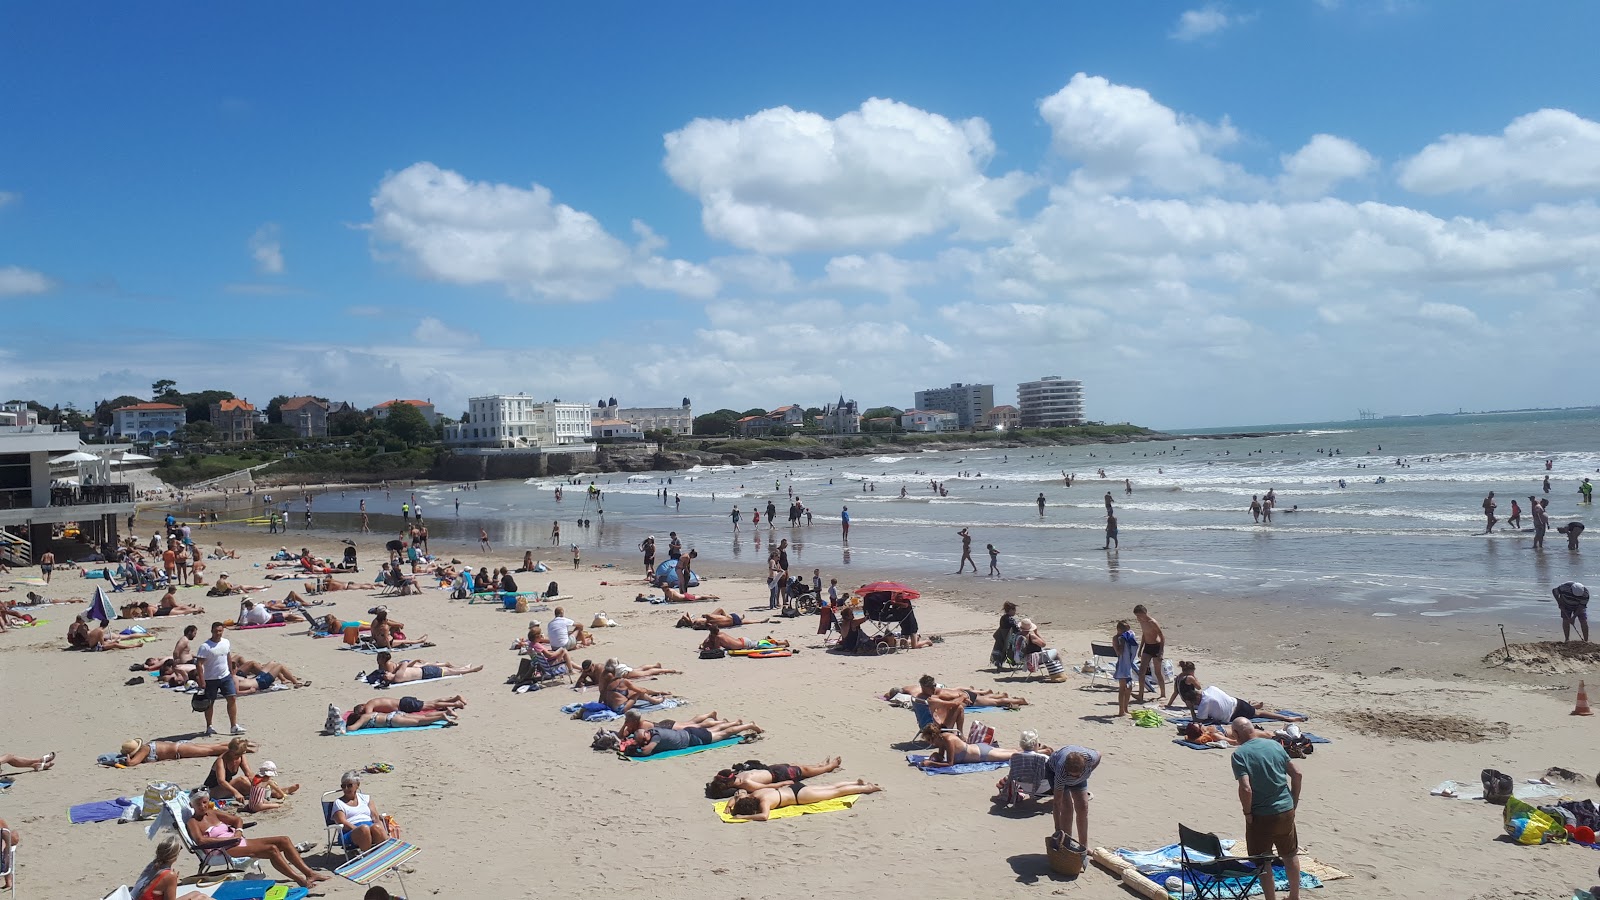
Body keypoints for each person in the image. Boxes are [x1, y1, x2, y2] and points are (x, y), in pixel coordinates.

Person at [184, 791, 329, 887]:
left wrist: (238, 832)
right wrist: (225, 841)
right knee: (271, 849)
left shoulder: (212, 813)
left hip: (236, 840)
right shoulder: (193, 822)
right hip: (224, 849)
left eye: (205, 802)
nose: (203, 806)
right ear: (192, 805)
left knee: (283, 840)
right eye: (199, 803)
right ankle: (300, 880)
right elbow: (201, 841)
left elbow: (237, 820)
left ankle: (310, 874)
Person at [1231, 717, 1304, 900]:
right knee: (1290, 854)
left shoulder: (1240, 754)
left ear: (1238, 734)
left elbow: (1246, 788)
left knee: (1263, 861)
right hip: (1285, 811)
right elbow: (1297, 774)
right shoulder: (1275, 745)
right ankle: (1294, 896)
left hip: (1261, 815)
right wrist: (1293, 801)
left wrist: (1247, 813)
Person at [725, 780, 883, 821]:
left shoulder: (761, 801)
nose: (739, 793)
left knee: (835, 792)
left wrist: (738, 813)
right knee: (831, 788)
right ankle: (857, 784)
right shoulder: (758, 796)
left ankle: (866, 788)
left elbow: (763, 816)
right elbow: (763, 816)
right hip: (796, 790)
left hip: (798, 796)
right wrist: (734, 809)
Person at [705, 757, 843, 798]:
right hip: (779, 775)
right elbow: (767, 786)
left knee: (800, 766)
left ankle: (818, 764)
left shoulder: (737, 776)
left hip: (772, 769)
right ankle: (828, 767)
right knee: (804, 771)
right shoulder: (746, 784)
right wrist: (784, 783)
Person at [195, 621, 243, 736]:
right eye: (216, 631)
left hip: (225, 676)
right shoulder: (205, 647)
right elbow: (199, 664)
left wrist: (231, 673)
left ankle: (234, 726)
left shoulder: (226, 642)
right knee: (209, 703)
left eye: (220, 631)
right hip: (210, 679)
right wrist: (202, 681)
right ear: (212, 631)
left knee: (231, 699)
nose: (218, 633)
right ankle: (209, 726)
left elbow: (228, 656)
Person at [1049, 745, 1100, 850]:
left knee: (1083, 807)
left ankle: (1083, 846)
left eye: (1076, 775)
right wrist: (1058, 829)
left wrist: (1088, 773)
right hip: (1053, 771)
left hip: (1082, 774)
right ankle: (1066, 844)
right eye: (1072, 775)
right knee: (1067, 809)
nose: (1074, 778)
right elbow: (1057, 803)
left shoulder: (1090, 758)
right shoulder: (1061, 771)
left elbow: (1100, 755)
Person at [131, 838, 214, 900]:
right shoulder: (170, 875)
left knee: (196, 893)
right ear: (175, 855)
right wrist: (173, 882)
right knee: (201, 897)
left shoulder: (153, 864)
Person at [630, 719, 763, 757]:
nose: (646, 741)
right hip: (688, 732)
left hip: (693, 738)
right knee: (716, 729)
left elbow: (647, 752)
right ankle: (735, 722)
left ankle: (749, 725)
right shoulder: (652, 730)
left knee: (725, 734)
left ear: (647, 734)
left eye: (644, 739)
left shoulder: (656, 737)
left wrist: (636, 751)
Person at [331, 771, 391, 852]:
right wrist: (361, 830)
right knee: (364, 829)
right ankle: (367, 856)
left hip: (370, 828)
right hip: (349, 832)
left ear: (357, 785)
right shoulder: (338, 803)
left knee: (376, 827)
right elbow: (342, 823)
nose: (346, 789)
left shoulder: (366, 798)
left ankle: (385, 854)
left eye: (349, 785)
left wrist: (382, 830)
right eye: (343, 786)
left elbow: (375, 818)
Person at [917, 723, 1017, 766]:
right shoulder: (942, 738)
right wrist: (934, 757)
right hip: (978, 748)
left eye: (929, 740)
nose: (930, 742)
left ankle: (1032, 750)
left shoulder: (948, 740)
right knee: (1013, 751)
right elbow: (942, 757)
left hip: (982, 754)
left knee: (1015, 755)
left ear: (934, 736)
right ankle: (1031, 748)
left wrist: (931, 763)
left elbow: (949, 763)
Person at [1134, 603, 1166, 703]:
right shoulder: (1142, 622)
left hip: (1156, 647)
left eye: (1139, 615)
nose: (1138, 618)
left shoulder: (1152, 622)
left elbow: (1162, 636)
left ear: (1144, 613)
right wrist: (1140, 649)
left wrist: (1161, 651)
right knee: (1141, 672)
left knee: (1157, 672)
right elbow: (1144, 634)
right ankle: (1140, 695)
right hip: (1147, 647)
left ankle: (1163, 694)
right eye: (1137, 616)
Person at [1113, 619, 1138, 717]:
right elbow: (1118, 652)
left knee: (1129, 688)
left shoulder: (1127, 637)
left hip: (1128, 665)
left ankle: (1126, 708)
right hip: (1122, 665)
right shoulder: (1116, 638)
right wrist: (1122, 644)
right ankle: (1121, 710)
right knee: (1122, 688)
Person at [700, 625, 790, 652]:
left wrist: (707, 647)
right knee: (760, 642)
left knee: (762, 645)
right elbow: (708, 639)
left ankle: (783, 643)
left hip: (743, 644)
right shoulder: (720, 633)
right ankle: (771, 640)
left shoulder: (718, 637)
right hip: (742, 640)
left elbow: (717, 649)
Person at [991, 601, 1020, 670]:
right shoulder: (1010, 620)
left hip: (1002, 638)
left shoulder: (1003, 618)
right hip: (1008, 640)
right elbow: (1016, 629)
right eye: (1014, 610)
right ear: (1010, 610)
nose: (1015, 612)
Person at [676, 608, 770, 629]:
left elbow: (686, 615)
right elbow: (686, 615)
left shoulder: (700, 623)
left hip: (731, 621)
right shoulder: (697, 622)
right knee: (744, 621)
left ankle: (760, 621)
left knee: (744, 622)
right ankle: (760, 621)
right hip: (730, 618)